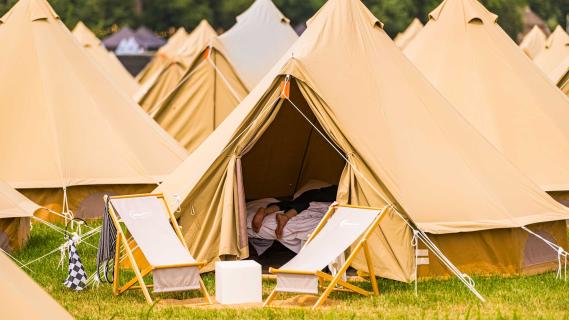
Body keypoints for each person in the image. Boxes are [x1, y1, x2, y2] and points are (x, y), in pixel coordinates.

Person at [252, 185, 338, 239]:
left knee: (295, 203)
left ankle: (266, 211)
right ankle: (285, 217)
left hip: (311, 193)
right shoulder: (345, 187)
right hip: (327, 194)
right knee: (304, 204)